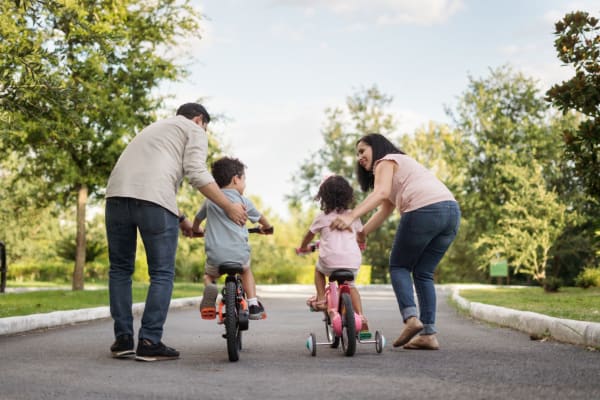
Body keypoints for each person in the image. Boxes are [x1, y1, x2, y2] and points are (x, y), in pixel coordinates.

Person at [105, 103, 247, 362]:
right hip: (154, 202)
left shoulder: (154, 129)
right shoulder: (194, 129)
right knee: (161, 273)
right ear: (199, 119)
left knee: (120, 270)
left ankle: (123, 340)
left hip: (115, 197)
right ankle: (149, 340)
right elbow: (196, 171)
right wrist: (228, 206)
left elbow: (150, 180)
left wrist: (181, 218)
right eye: (205, 125)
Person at [330, 133, 460, 350]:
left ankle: (411, 318)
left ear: (377, 147)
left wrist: (350, 216)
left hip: (423, 209)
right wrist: (362, 233)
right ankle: (428, 334)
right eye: (357, 154)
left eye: (362, 151)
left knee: (399, 266)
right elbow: (385, 208)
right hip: (451, 212)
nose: (359, 157)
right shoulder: (404, 166)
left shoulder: (386, 160)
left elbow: (380, 193)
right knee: (423, 272)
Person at [193, 157, 273, 320]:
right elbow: (262, 219)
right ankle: (252, 304)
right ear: (236, 179)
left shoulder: (210, 200)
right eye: (244, 179)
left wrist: (196, 230)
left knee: (208, 275)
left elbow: (197, 219)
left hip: (215, 256)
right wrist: (267, 228)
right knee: (246, 270)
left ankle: (210, 288)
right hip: (239, 255)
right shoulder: (244, 201)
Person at [297, 175, 369, 331]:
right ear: (348, 196)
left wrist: (303, 247)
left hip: (330, 263)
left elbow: (308, 235)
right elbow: (362, 234)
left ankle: (322, 298)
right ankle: (361, 317)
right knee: (352, 286)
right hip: (351, 262)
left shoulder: (321, 218)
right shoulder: (352, 216)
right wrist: (361, 243)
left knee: (318, 270)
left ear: (323, 197)